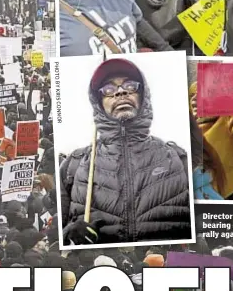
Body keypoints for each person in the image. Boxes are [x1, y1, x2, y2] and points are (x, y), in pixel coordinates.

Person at [60, 58, 191, 245]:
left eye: (130, 85)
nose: (120, 92)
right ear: (99, 103)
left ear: (143, 96)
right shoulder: (74, 165)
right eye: (108, 89)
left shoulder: (178, 159)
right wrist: (69, 235)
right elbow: (51, 242)